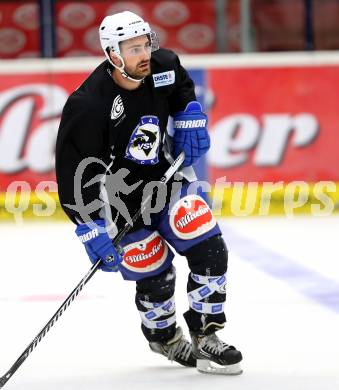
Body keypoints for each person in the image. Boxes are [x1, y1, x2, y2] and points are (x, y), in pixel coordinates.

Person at [55, 11, 242, 375]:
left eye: (146, 45)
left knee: (209, 247)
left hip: (164, 180)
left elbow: (180, 87)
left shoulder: (162, 66)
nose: (145, 54)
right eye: (133, 48)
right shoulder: (90, 105)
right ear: (113, 54)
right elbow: (74, 173)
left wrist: (189, 115)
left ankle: (206, 335)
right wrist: (91, 227)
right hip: (120, 204)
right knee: (155, 275)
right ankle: (165, 338)